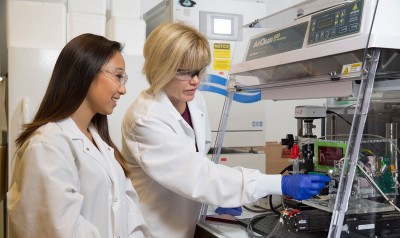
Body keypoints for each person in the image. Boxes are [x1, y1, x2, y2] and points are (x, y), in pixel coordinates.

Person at [121, 22, 330, 238]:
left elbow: (198, 166)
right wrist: (280, 183)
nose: (195, 81)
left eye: (199, 71)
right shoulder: (145, 120)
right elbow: (196, 176)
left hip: (185, 223)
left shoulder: (193, 101)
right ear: (160, 68)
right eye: (184, 72)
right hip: (154, 230)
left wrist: (217, 200)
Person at [7, 33, 151, 238]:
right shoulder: (48, 144)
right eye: (118, 76)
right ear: (87, 72)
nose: (123, 88)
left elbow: (130, 215)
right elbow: (60, 230)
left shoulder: (102, 144)